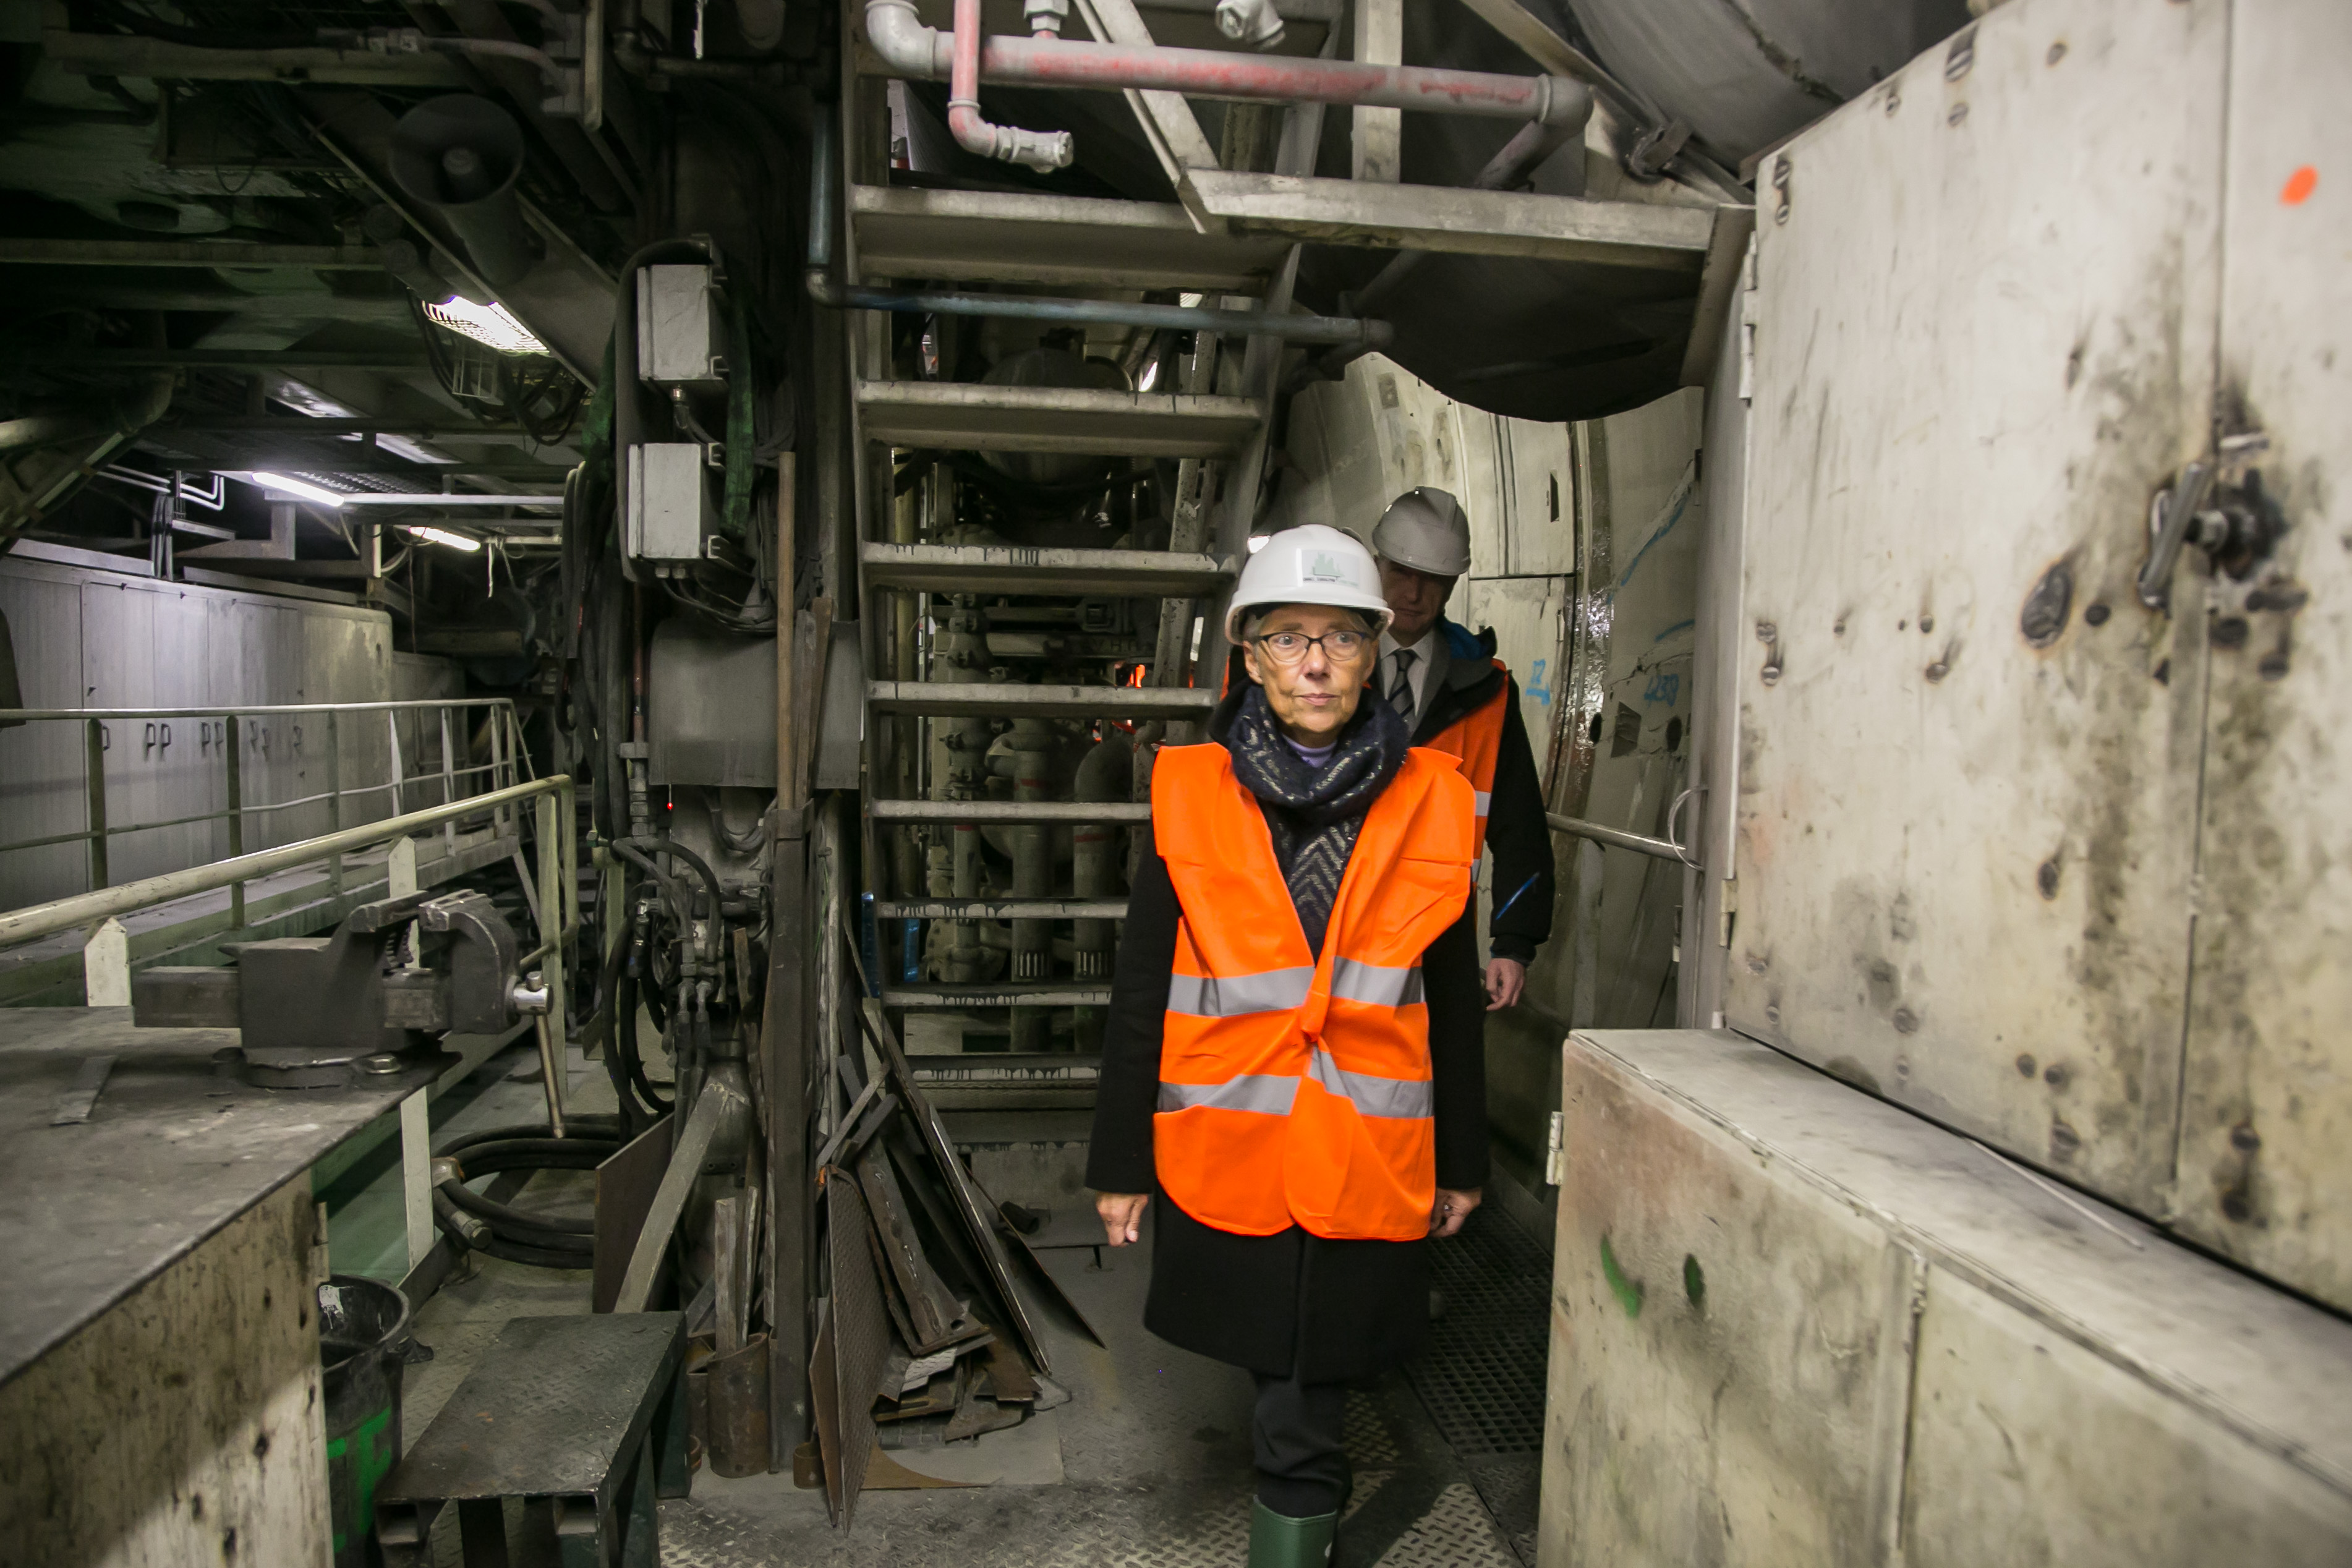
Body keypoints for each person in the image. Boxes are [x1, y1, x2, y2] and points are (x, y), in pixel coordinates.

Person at [1087, 524, 1487, 1568]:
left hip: (1364, 1151)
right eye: (1287, 637)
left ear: (1375, 649)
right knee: (1288, 1394)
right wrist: (1121, 1163)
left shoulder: (1433, 802)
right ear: (1251, 657)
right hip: (1236, 1145)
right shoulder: (1190, 795)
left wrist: (1463, 1160)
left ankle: (1294, 1527)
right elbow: (1140, 993)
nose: (1314, 663)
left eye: (1341, 638)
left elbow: (1447, 996)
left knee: (1309, 1398)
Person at [1368, 487, 1556, 1012]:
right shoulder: (1328, 672)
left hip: (1440, 933)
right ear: (1376, 565)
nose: (1413, 592)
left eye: (1432, 579)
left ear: (1452, 585)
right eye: (1402, 572)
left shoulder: (1487, 691)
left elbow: (1519, 824)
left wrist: (1514, 943)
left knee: (1438, 1082)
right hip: (1333, 919)